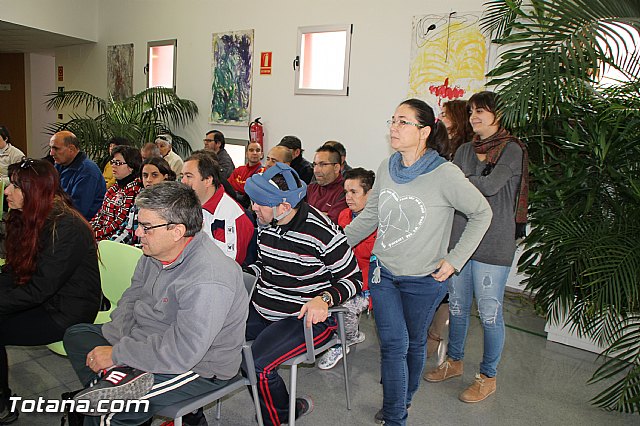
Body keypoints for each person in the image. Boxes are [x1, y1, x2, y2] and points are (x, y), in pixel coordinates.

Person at [344, 99, 492, 426]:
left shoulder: (444, 174)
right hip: (384, 274)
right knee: (394, 345)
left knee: (413, 344)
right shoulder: (386, 167)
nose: (394, 127)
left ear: (424, 131)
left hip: (424, 281)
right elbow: (372, 215)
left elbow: (482, 213)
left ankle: (402, 399)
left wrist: (454, 260)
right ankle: (397, 416)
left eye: (403, 122)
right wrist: (337, 244)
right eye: (392, 120)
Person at [64, 181, 248, 426]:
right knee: (77, 335)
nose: (138, 233)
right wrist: (122, 347)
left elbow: (183, 353)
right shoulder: (155, 252)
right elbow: (130, 299)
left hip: (199, 367)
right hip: (151, 341)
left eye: (146, 227)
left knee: (109, 411)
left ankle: (116, 393)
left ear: (177, 231)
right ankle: (120, 382)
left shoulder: (208, 279)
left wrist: (118, 354)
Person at [424, 91, 529, 403]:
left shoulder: (513, 150)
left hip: (495, 242)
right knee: (456, 306)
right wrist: (463, 181)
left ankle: (487, 376)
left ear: (499, 114)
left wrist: (462, 180)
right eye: (471, 112)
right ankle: (454, 362)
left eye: (481, 111)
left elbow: (490, 186)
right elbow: (452, 188)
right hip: (461, 240)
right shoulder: (467, 149)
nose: (474, 117)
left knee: (489, 312)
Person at [243, 163, 362, 426]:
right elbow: (267, 265)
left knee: (257, 363)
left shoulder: (322, 232)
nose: (253, 208)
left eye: (259, 203)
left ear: (284, 207)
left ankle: (277, 417)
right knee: (224, 344)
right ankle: (286, 408)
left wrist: (325, 298)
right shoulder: (267, 220)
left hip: (305, 315)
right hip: (265, 306)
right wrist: (239, 273)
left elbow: (354, 279)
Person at [0, 158, 101, 424]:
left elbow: (38, 290)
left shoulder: (66, 226)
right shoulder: (31, 216)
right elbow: (15, 271)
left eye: (15, 186)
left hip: (66, 311)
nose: (7, 192)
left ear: (35, 190)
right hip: (45, 298)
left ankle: (2, 405)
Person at [317, 167, 375, 370]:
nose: (348, 197)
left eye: (354, 192)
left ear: (370, 194)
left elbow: (366, 253)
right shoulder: (343, 215)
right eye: (346, 192)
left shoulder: (380, 221)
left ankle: (344, 341)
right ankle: (344, 334)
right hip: (343, 276)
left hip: (369, 282)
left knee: (346, 308)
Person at [181, 151, 254, 265]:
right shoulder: (189, 204)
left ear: (207, 180)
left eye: (189, 176)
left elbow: (228, 264)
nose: (183, 181)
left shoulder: (230, 215)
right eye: (182, 176)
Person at [111, 157, 176, 245]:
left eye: (154, 175)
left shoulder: (172, 203)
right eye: (145, 175)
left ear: (165, 177)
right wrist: (113, 245)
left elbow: (160, 242)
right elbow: (127, 231)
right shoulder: (140, 199)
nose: (149, 179)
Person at [50, 130, 107, 221]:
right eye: (51, 148)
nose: (51, 153)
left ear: (71, 149)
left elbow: (77, 210)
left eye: (56, 148)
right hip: (64, 217)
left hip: (81, 223)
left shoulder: (88, 172)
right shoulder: (60, 165)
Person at [90, 146, 143, 241]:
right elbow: (100, 216)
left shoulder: (135, 191)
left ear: (131, 167)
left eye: (118, 163)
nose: (113, 166)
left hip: (113, 239)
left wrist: (93, 235)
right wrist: (88, 230)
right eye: (113, 162)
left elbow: (118, 225)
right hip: (100, 234)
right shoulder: (113, 188)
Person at [306, 145, 348, 224]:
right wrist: (322, 214)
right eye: (315, 164)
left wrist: (308, 215)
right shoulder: (311, 188)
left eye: (322, 164)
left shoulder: (345, 191)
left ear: (336, 168)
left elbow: (330, 222)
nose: (316, 170)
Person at [228, 141, 264, 208]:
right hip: (234, 205)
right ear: (246, 154)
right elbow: (228, 186)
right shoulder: (239, 169)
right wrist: (244, 186)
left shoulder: (263, 171)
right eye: (251, 150)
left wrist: (236, 184)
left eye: (257, 150)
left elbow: (251, 189)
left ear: (261, 154)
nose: (254, 153)